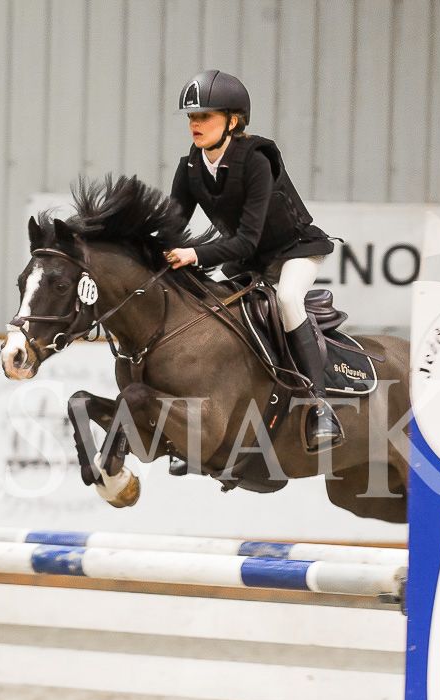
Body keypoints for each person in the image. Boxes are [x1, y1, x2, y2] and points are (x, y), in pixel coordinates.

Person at [163, 69, 343, 453]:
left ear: (233, 121)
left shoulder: (256, 160)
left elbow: (246, 239)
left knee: (288, 299)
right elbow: (171, 227)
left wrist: (194, 253)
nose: (195, 124)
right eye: (192, 116)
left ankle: (320, 406)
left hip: (294, 251)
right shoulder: (191, 167)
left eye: (205, 116)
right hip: (251, 261)